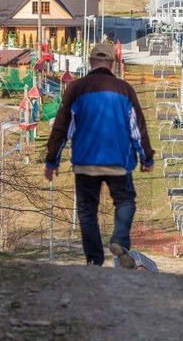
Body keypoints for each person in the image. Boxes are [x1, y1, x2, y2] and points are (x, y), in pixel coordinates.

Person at [45, 42, 155, 267]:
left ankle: (94, 261)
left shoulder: (76, 89)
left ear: (91, 62)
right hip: (118, 161)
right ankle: (120, 241)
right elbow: (137, 128)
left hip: (86, 162)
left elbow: (62, 128)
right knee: (124, 201)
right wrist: (146, 157)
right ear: (113, 64)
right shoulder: (124, 90)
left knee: (87, 211)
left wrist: (52, 160)